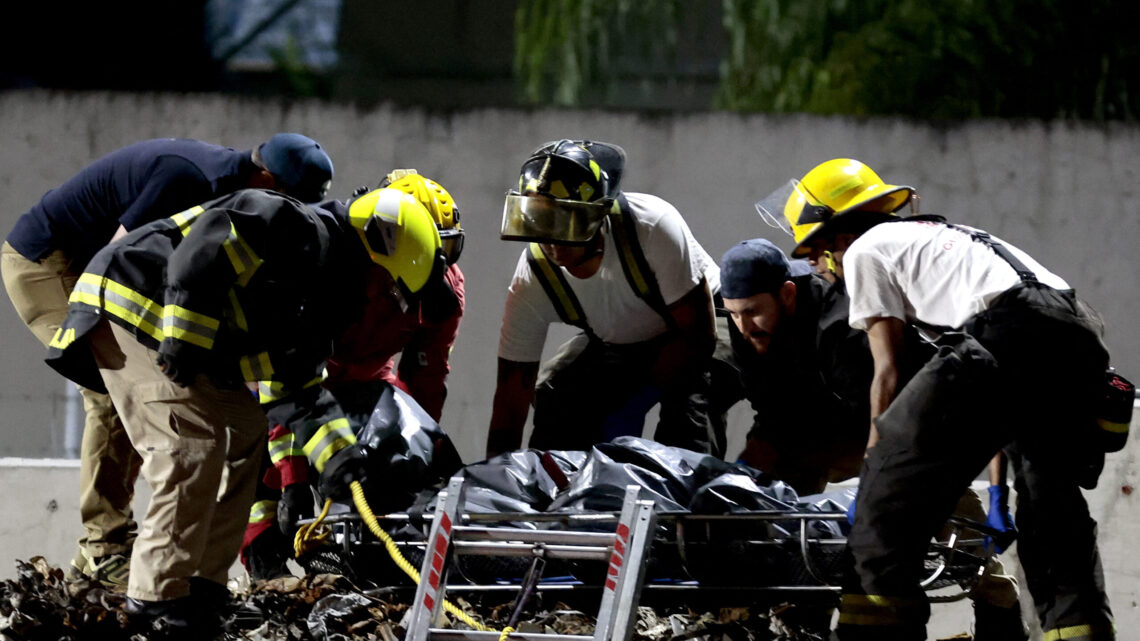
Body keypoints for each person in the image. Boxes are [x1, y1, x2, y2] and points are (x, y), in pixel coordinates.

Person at [42, 185, 439, 636]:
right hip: (133, 302)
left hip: (192, 342)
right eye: (385, 286)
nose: (379, 300)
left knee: (247, 433)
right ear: (370, 249)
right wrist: (183, 337)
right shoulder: (288, 224)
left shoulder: (321, 302)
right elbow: (204, 250)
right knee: (189, 444)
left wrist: (339, 460)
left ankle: (202, 587)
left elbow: (298, 389)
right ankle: (154, 598)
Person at [765, 158, 1118, 640]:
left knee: (886, 507)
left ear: (838, 237)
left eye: (817, 254)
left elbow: (886, 373)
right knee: (1052, 511)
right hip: (1075, 333)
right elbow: (996, 395)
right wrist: (996, 490)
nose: (818, 268)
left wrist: (876, 470)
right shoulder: (943, 237)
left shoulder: (866, 250)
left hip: (1007, 330)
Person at [0, 134, 334, 587]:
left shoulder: (237, 194)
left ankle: (183, 568)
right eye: (287, 200)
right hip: (49, 263)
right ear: (266, 179)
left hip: (98, 263)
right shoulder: (189, 179)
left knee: (162, 394)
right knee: (114, 395)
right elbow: (116, 258)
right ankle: (104, 549)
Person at [717, 238, 1025, 639]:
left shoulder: (842, 326)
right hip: (821, 432)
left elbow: (897, 420)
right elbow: (772, 416)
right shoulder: (749, 332)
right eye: (734, 314)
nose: (744, 326)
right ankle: (802, 614)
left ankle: (998, 601)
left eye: (753, 313)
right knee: (794, 517)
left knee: (944, 520)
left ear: (787, 295)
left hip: (904, 426)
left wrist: (877, 485)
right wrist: (742, 482)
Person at [241, 171, 467, 578]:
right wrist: (292, 479)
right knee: (259, 457)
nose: (435, 268)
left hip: (367, 383)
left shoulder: (442, 292)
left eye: (444, 253)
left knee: (392, 459)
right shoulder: (331, 271)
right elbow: (286, 381)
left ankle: (379, 559)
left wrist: (420, 448)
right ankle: (265, 557)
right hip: (284, 382)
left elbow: (427, 377)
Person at [487, 139, 722, 459]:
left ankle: (689, 500)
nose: (553, 241)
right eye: (543, 220)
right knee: (556, 394)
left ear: (598, 215)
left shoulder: (651, 226)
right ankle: (559, 497)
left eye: (566, 221)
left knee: (689, 412)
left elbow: (699, 337)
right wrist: (494, 479)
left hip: (701, 321)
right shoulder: (534, 275)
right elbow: (512, 396)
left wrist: (629, 401)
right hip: (619, 337)